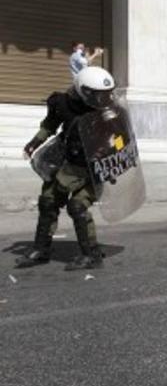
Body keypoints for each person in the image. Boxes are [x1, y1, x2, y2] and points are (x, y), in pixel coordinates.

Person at [16, 67, 117, 270]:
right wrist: (33, 143)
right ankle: (41, 249)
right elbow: (49, 126)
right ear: (82, 90)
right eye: (96, 94)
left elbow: (121, 139)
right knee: (48, 201)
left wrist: (113, 158)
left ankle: (91, 254)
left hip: (92, 169)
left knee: (77, 206)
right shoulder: (64, 103)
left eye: (105, 93)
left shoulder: (110, 111)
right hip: (67, 163)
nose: (101, 98)